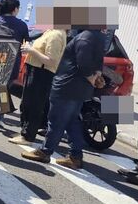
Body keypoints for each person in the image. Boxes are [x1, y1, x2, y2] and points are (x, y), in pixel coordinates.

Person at [21, 28, 107, 169]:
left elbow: (83, 65)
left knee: (56, 120)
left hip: (68, 85)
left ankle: (45, 152)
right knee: (72, 121)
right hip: (80, 88)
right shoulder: (99, 38)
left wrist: (92, 78)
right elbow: (98, 63)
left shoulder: (84, 37)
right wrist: (96, 76)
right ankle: (75, 156)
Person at [8, 26, 67, 145]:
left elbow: (51, 60)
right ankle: (25, 132)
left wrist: (31, 50)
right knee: (28, 103)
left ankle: (28, 136)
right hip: (36, 70)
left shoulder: (56, 35)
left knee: (33, 105)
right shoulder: (52, 32)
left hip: (41, 72)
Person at [0, 0, 30, 113]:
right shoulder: (22, 25)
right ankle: (0, 116)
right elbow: (25, 44)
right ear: (15, 9)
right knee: (4, 90)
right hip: (12, 63)